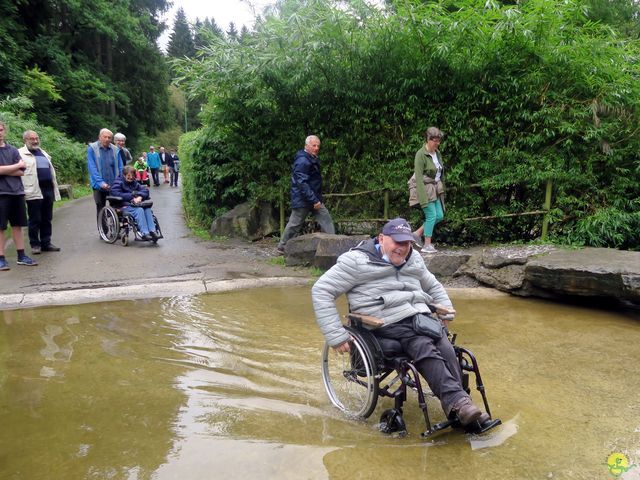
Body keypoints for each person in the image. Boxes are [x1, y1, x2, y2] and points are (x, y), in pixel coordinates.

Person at [311, 218, 485, 427]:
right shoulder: (356, 262)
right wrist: (336, 335)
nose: (402, 248)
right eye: (397, 242)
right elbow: (321, 290)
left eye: (407, 243)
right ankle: (459, 404)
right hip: (382, 323)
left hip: (417, 317)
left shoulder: (414, 259)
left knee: (444, 344)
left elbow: (433, 285)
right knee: (421, 343)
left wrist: (445, 312)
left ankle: (459, 405)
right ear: (382, 239)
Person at [277, 135, 335, 253]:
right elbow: (301, 183)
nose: (316, 148)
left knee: (326, 219)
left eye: (318, 146)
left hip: (313, 198)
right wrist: (314, 200)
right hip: (304, 199)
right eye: (314, 145)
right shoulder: (303, 160)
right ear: (306, 146)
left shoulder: (310, 158)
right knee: (295, 224)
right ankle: (282, 247)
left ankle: (334, 244)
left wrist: (315, 199)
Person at [0, 121, 38, 270]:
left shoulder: (13, 150)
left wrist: (6, 169)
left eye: (1, 129)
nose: (0, 132)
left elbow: (22, 171)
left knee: (18, 226)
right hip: (1, 194)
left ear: (4, 131)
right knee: (1, 227)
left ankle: (21, 255)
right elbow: (18, 167)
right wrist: (15, 167)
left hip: (17, 192)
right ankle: (1, 258)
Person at [18, 130, 61, 254]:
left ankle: (46, 243)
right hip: (33, 190)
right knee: (35, 219)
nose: (35, 141)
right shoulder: (20, 154)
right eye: (32, 139)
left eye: (37, 138)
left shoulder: (43, 153)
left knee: (47, 218)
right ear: (25, 140)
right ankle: (35, 244)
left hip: (48, 190)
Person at [410, 127, 445, 254]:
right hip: (424, 189)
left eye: (439, 141)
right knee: (431, 215)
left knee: (439, 216)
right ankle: (427, 245)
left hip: (434, 188)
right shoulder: (420, 154)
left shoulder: (437, 153)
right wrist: (423, 199)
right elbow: (418, 178)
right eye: (435, 141)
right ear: (428, 139)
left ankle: (416, 234)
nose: (437, 143)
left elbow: (440, 173)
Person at [110, 166, 159, 241]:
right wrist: (132, 197)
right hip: (123, 205)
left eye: (132, 175)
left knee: (147, 209)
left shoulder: (134, 183)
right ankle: (145, 233)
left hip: (135, 204)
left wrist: (140, 197)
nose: (131, 177)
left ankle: (153, 231)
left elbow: (145, 190)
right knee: (139, 210)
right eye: (128, 176)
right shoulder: (118, 182)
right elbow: (116, 193)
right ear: (124, 175)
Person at [87, 128, 123, 218]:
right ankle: (103, 230)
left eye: (109, 137)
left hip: (113, 184)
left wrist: (120, 181)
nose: (107, 139)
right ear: (100, 137)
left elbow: (120, 167)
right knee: (100, 207)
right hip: (98, 185)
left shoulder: (115, 150)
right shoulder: (92, 149)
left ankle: (117, 228)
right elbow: (92, 168)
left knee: (117, 206)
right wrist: (100, 182)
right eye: (105, 137)